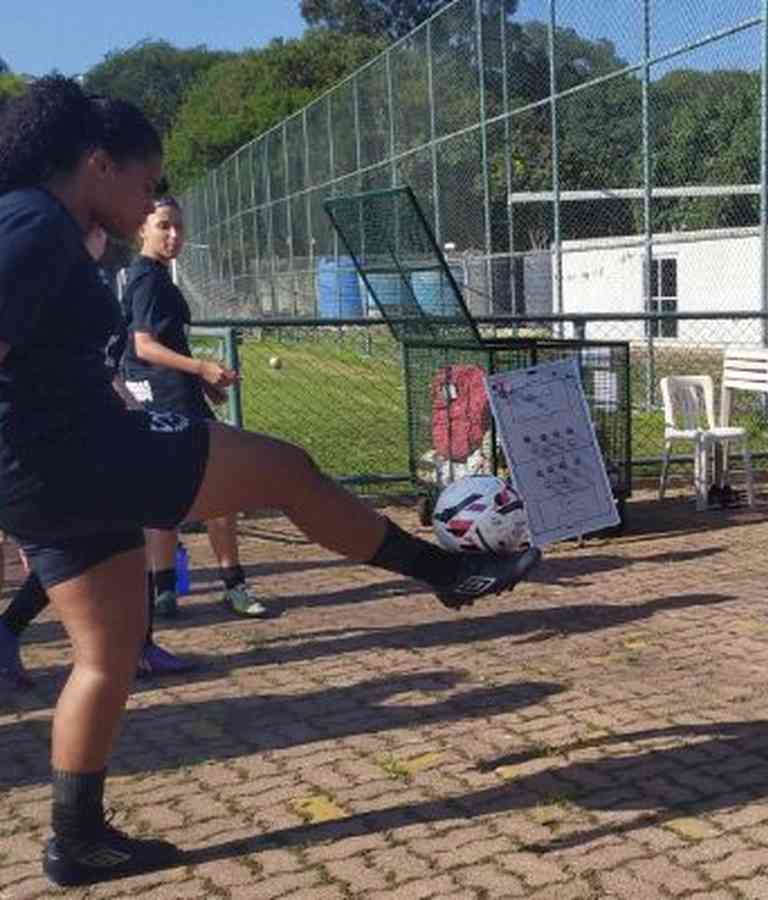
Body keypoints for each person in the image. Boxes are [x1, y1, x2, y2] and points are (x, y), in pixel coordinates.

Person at [0, 76, 540, 888]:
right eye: (147, 186)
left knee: (107, 656)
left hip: (44, 478)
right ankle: (449, 573)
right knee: (286, 469)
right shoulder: (34, 224)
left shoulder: (43, 224)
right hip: (80, 458)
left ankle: (75, 841)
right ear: (99, 165)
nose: (152, 202)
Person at [0, 224, 190, 686]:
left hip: (96, 438)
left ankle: (133, 644)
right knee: (92, 544)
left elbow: (97, 368)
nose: (98, 235)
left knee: (109, 540)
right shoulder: (42, 279)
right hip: (49, 454)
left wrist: (128, 404)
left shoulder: (90, 281)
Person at [121, 196, 269, 621]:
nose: (173, 235)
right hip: (167, 403)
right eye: (164, 225)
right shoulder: (147, 278)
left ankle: (164, 592)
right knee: (224, 489)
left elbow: (166, 343)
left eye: (179, 228)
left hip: (173, 398)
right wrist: (203, 366)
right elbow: (144, 345)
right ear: (141, 230)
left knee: (164, 498)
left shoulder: (152, 277)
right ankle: (233, 585)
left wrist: (205, 386)